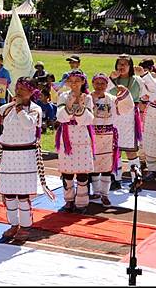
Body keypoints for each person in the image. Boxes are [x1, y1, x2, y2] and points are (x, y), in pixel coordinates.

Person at [0, 77, 54, 238]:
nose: (19, 91)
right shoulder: (7, 108)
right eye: (18, 87)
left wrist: (19, 108)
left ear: (31, 92)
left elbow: (28, 124)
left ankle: (25, 227)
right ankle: (13, 224)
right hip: (8, 157)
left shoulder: (35, 109)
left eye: (23, 89)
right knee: (9, 195)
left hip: (25, 157)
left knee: (23, 196)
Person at [90, 73, 134, 206]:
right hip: (93, 136)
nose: (100, 86)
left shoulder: (111, 99)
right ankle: (96, 191)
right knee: (94, 166)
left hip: (108, 136)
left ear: (107, 85)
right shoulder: (87, 98)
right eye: (97, 83)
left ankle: (105, 194)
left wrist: (125, 92)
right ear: (93, 84)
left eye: (103, 83)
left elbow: (127, 105)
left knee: (106, 166)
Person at [55, 70, 95, 214]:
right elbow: (60, 117)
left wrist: (79, 109)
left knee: (83, 173)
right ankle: (69, 200)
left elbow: (89, 119)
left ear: (83, 81)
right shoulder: (62, 96)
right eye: (71, 81)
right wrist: (69, 105)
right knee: (67, 172)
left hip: (82, 137)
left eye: (77, 80)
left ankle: (81, 203)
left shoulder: (88, 98)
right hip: (66, 137)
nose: (74, 84)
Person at [107, 54, 146, 191]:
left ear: (130, 66)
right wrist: (111, 78)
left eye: (125, 64)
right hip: (114, 116)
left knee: (130, 150)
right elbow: (103, 92)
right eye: (119, 63)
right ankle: (115, 179)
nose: (121, 66)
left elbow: (150, 91)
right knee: (114, 150)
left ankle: (136, 180)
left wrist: (145, 74)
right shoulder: (111, 79)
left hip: (129, 118)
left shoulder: (137, 80)